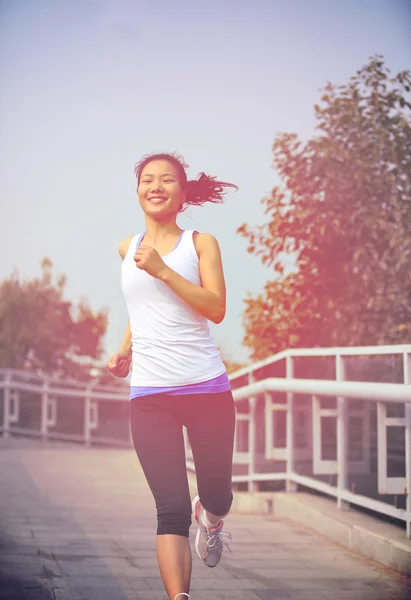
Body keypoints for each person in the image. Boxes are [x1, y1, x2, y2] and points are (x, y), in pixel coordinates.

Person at [106, 152, 237, 600]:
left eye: (166, 180)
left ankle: (213, 517)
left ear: (182, 193)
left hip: (207, 390)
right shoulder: (128, 247)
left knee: (218, 494)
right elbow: (141, 307)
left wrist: (162, 270)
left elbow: (215, 308)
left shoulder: (200, 244)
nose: (155, 185)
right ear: (138, 189)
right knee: (170, 509)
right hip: (150, 395)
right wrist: (123, 350)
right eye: (147, 179)